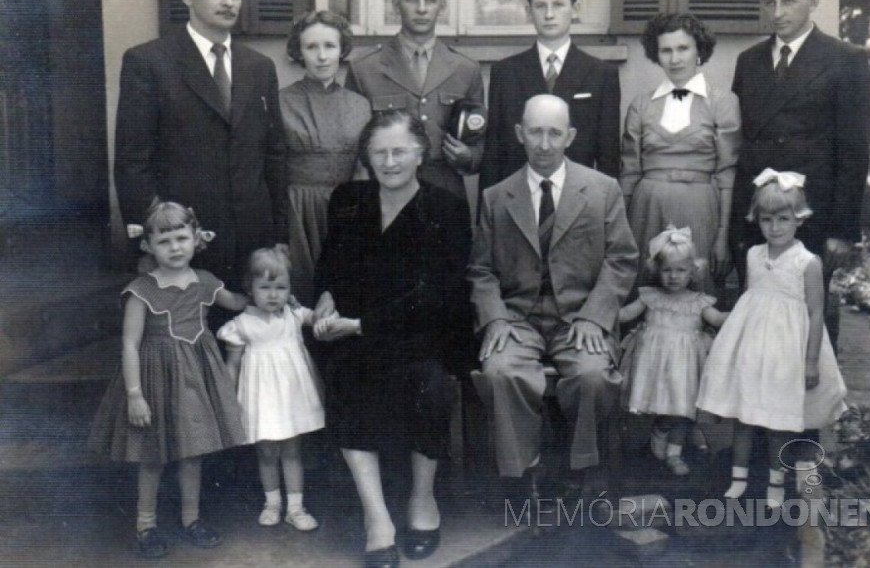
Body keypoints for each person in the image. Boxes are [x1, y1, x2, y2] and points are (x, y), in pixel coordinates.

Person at [312, 111, 472, 567]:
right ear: (367, 157)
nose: (389, 161)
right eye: (379, 152)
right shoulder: (348, 199)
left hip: (424, 331)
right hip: (355, 333)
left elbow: (435, 295)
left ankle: (422, 499)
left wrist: (360, 325)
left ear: (421, 153)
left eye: (399, 150)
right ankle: (376, 515)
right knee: (345, 371)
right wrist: (325, 297)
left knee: (430, 381)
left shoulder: (445, 208)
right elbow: (330, 265)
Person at [469, 94, 638, 501]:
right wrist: (494, 319)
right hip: (517, 317)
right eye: (535, 132)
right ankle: (522, 470)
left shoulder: (602, 190)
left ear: (570, 136)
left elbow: (621, 259)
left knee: (593, 375)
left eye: (554, 133)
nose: (544, 144)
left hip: (579, 317)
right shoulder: (497, 196)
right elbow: (481, 269)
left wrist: (596, 317)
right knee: (500, 372)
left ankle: (581, 468)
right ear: (519, 134)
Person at [114, 0, 287, 291]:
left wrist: (279, 236)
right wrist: (153, 241)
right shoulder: (149, 63)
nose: (229, 1)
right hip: (184, 245)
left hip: (252, 242)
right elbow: (133, 162)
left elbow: (274, 156)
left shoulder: (260, 68)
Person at [88, 202, 248, 559]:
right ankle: (146, 525)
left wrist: (270, 291)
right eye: (165, 241)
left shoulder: (205, 281)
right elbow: (130, 343)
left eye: (182, 238)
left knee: (193, 453)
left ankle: (191, 519)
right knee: (153, 456)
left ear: (196, 240)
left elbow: (237, 302)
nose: (175, 248)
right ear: (148, 246)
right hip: (156, 377)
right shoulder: (142, 289)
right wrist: (134, 394)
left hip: (197, 378)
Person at [730, 0, 870, 341]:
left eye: (788, 1)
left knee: (811, 319)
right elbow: (747, 143)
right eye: (769, 3)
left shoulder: (846, 60)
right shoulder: (749, 62)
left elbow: (854, 150)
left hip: (813, 214)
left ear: (814, 0)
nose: (778, 13)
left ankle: (813, 397)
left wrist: (843, 229)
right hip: (758, 214)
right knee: (759, 317)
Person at [697, 170, 847, 509]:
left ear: (799, 220)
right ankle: (739, 478)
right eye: (767, 220)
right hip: (754, 347)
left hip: (787, 352)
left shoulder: (808, 262)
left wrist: (810, 361)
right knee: (745, 416)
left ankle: (776, 482)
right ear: (757, 221)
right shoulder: (753, 255)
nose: (775, 227)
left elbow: (815, 313)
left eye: (783, 219)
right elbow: (751, 300)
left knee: (778, 421)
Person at [619, 13, 741, 293]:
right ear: (656, 55)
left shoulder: (722, 102)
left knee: (696, 293)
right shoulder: (641, 105)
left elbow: (727, 173)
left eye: (683, 48)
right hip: (646, 210)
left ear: (699, 50)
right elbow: (629, 173)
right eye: (666, 50)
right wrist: (621, 233)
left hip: (700, 209)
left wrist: (723, 236)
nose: (675, 59)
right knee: (644, 293)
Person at [217, 246, 332, 532]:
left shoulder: (293, 315)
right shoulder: (241, 325)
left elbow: (319, 317)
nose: (273, 294)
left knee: (292, 451)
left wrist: (326, 311)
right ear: (249, 288)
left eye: (280, 287)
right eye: (265, 287)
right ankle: (272, 504)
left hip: (292, 396)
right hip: (261, 398)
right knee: (267, 452)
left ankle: (295, 508)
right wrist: (229, 399)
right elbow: (232, 365)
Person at [345, 0, 484, 201]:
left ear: (442, 5)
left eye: (430, 0)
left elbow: (479, 141)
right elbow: (353, 144)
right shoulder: (365, 69)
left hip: (445, 189)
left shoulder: (465, 69)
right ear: (395, 5)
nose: (421, 9)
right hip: (384, 190)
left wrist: (468, 157)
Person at [479, 0, 621, 192]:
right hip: (520, 198)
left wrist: (604, 214)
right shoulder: (505, 73)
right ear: (528, 11)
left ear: (575, 9)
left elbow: (608, 156)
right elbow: (493, 154)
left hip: (579, 197)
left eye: (558, 4)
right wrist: (487, 220)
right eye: (540, 6)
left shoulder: (601, 74)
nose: (549, 14)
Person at [618, 226, 727, 476]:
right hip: (655, 365)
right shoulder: (650, 297)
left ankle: (674, 453)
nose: (674, 276)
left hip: (686, 366)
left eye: (680, 270)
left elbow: (718, 318)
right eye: (667, 270)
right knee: (664, 407)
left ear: (692, 271)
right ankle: (660, 432)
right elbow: (624, 315)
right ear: (657, 271)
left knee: (685, 409)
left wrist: (744, 312)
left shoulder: (698, 301)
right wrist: (599, 311)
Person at [280, 11, 371, 303]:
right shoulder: (282, 101)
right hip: (298, 213)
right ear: (299, 51)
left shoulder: (360, 105)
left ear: (341, 49)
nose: (321, 56)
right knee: (302, 293)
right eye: (311, 47)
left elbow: (363, 167)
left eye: (329, 46)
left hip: (346, 211)